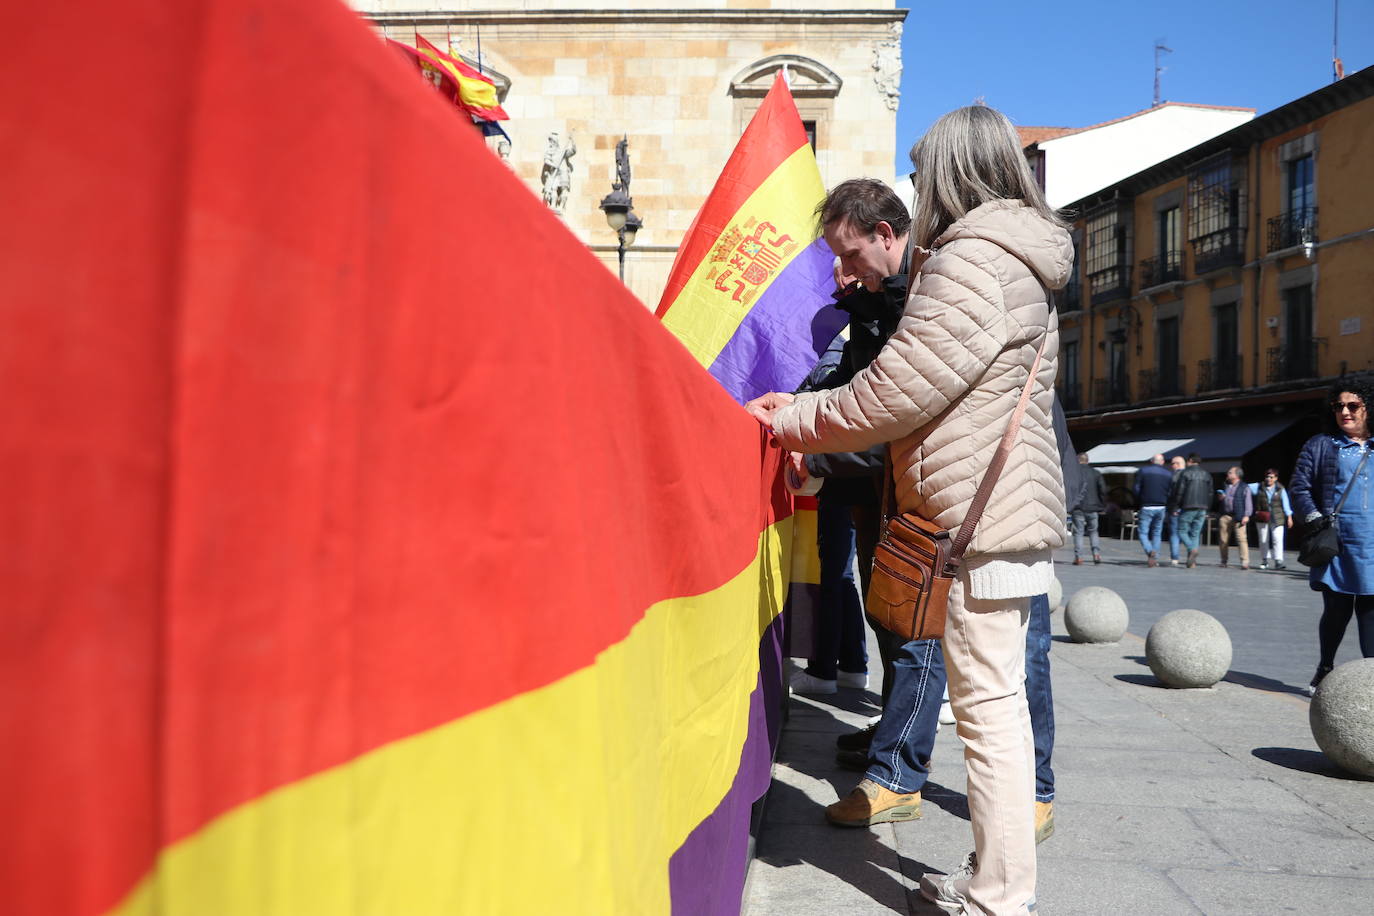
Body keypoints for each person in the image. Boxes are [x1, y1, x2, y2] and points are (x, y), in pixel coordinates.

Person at [748, 104, 1068, 916]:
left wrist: (790, 420)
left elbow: (898, 391)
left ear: (955, 173)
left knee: (988, 713)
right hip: (999, 514)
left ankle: (998, 895)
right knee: (994, 704)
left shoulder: (972, 260)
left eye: (925, 175)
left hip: (974, 521)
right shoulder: (1019, 260)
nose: (919, 191)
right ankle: (997, 879)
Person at [788, 328, 870, 695]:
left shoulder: (832, 345)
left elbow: (832, 401)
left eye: (851, 267)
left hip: (840, 468)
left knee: (833, 571)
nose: (845, 275)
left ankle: (824, 669)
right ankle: (852, 664)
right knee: (844, 575)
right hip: (855, 468)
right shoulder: (855, 336)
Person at [1290, 378, 1374, 694]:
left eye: (1353, 406)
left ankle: (1370, 679)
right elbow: (1299, 486)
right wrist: (1314, 518)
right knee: (1337, 610)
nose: (1345, 412)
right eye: (1339, 406)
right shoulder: (1322, 444)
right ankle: (1325, 667)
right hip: (1336, 542)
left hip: (1372, 543)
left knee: (1371, 611)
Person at [1167, 453, 1213, 568]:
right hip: (1202, 508)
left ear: (1190, 461)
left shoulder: (1185, 473)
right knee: (1195, 533)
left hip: (1188, 506)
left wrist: (1176, 506)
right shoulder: (1207, 474)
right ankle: (1192, 562)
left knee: (1181, 530)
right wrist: (1208, 508)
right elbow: (1210, 493)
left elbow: (1180, 492)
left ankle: (1191, 549)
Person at [1134, 453, 1173, 567]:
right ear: (1162, 462)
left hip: (1146, 505)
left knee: (1142, 532)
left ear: (1151, 461)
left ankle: (1149, 550)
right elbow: (1171, 491)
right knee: (1157, 532)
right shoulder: (1168, 474)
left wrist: (1140, 498)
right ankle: (1155, 557)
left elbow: (1136, 488)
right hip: (1161, 506)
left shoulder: (1143, 471)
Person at [1252, 469, 1293, 570]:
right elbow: (1244, 488)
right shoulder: (1259, 486)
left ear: (1276, 478)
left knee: (1277, 539)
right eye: (1267, 476)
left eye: (1271, 477)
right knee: (1263, 539)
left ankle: (1278, 561)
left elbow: (1286, 504)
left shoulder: (1280, 489)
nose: (1268, 479)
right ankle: (1264, 560)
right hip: (1263, 516)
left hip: (1277, 517)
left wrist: (1289, 517)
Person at [1071, 453, 1106, 565]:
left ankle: (1079, 557)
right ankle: (1096, 554)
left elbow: (1069, 489)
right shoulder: (1096, 473)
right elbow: (1103, 490)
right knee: (1094, 531)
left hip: (1078, 507)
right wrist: (1102, 505)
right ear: (1088, 460)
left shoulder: (1073, 473)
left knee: (1078, 532)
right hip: (1093, 508)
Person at [1217, 466, 1254, 569]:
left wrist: (1247, 515)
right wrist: (1221, 499)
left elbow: (1248, 502)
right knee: (1223, 539)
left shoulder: (1244, 487)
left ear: (1236, 475)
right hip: (1225, 516)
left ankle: (1245, 562)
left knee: (1241, 539)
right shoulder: (1226, 485)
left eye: (1230, 473)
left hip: (1239, 516)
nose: (1228, 474)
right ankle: (1224, 560)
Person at [1165, 455, 1187, 565]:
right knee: (1189, 532)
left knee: (1174, 533)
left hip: (1175, 508)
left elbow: (1170, 494)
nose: (1171, 466)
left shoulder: (1173, 476)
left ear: (1177, 464)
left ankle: (1175, 558)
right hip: (1188, 508)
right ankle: (1191, 554)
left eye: (1172, 463)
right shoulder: (1190, 475)